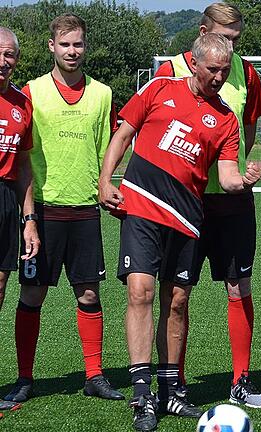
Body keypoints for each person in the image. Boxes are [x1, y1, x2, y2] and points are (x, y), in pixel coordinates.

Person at [98, 33, 261, 432]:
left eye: (225, 70)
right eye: (212, 69)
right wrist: (105, 179)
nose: (219, 77)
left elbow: (226, 176)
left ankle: (171, 390)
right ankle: (142, 393)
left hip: (187, 217)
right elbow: (122, 134)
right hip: (141, 206)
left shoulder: (225, 119)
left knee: (176, 303)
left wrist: (244, 179)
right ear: (195, 63)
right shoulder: (159, 88)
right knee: (141, 291)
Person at [154, 2, 261, 409]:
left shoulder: (247, 72)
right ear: (203, 32)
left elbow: (249, 126)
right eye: (225, 37)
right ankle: (174, 382)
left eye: (238, 39)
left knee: (239, 285)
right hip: (183, 202)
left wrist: (235, 170)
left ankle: (241, 380)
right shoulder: (169, 71)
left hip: (234, 200)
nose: (232, 47)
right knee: (177, 293)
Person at [5, 14, 123, 406]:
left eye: (79, 44)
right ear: (51, 46)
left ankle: (94, 375)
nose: (73, 51)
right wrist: (29, 217)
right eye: (65, 44)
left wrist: (107, 187)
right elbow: (22, 156)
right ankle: (24, 378)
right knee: (32, 293)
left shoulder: (102, 94)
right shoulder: (31, 93)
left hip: (85, 210)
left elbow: (110, 149)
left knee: (89, 293)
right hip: (42, 210)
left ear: (85, 47)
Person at [0, 27, 40, 411]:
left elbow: (23, 165)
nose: (3, 61)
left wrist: (28, 219)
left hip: (5, 201)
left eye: (10, 54)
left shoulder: (20, 103)